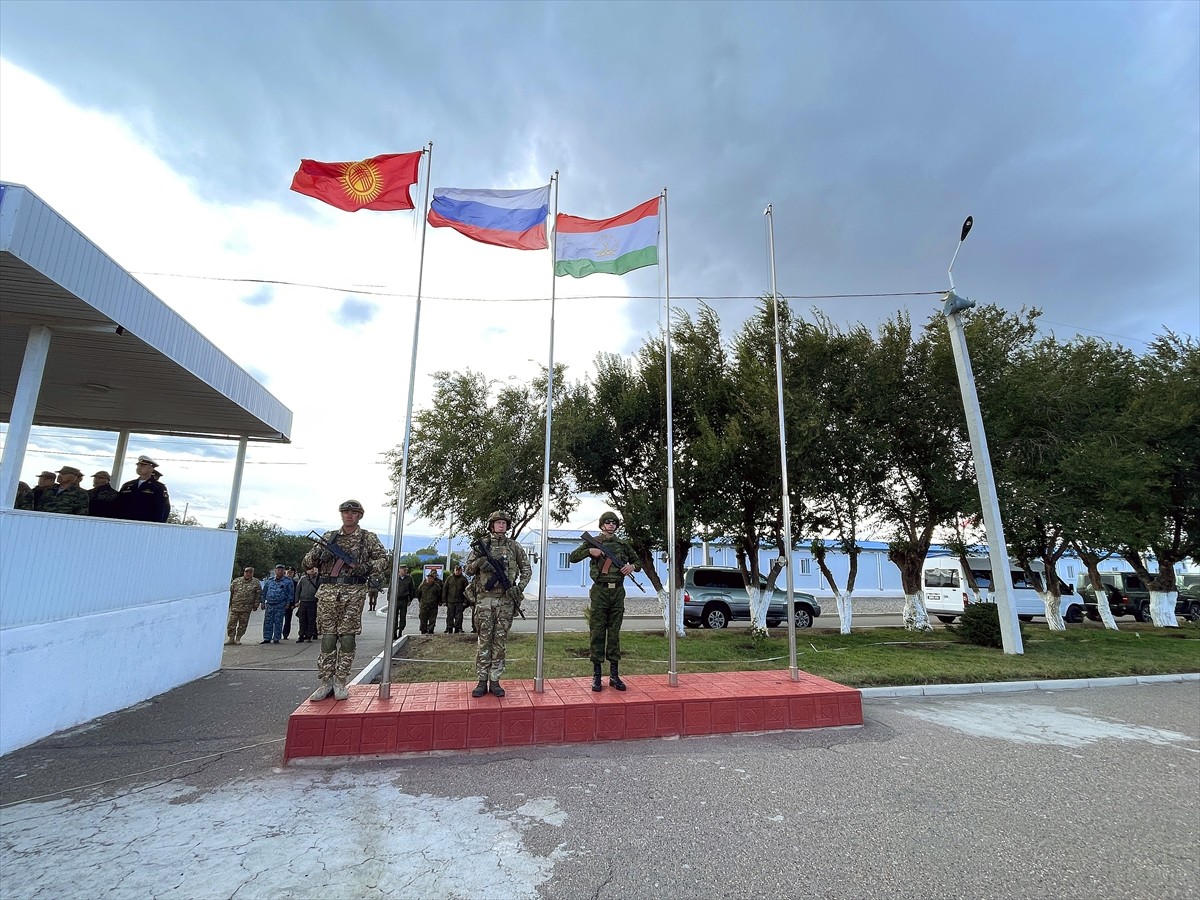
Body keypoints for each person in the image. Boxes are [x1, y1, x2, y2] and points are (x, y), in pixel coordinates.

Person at [302, 499, 388, 702]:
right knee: (328, 637)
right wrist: (320, 556)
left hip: (353, 592)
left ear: (359, 516)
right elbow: (306, 561)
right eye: (345, 512)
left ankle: (341, 681)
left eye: (353, 512)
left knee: (348, 638)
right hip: (328, 592)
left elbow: (383, 560)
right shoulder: (329, 537)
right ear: (341, 514)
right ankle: (326, 682)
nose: (349, 515)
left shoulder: (367, 538)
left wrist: (365, 567)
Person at [569, 511, 641, 692]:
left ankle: (615, 676)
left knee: (614, 633)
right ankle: (597, 676)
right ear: (602, 525)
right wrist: (589, 551)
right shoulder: (593, 542)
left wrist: (631, 566)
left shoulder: (622, 545)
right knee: (598, 632)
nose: (611, 525)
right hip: (600, 591)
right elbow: (572, 557)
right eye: (607, 522)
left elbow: (638, 562)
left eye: (614, 523)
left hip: (617, 591)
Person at [465, 510, 531, 698]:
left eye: (504, 523)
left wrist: (519, 588)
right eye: (498, 522)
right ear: (491, 525)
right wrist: (480, 562)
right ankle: (481, 681)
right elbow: (468, 569)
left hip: (505, 600)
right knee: (484, 640)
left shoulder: (514, 546)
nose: (501, 525)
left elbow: (526, 569)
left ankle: (495, 681)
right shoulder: (482, 546)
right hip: (484, 600)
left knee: (499, 641)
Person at [116, 455, 169, 522]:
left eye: (143, 465)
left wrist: (157, 525)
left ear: (151, 468)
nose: (139, 467)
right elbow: (118, 504)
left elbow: (163, 509)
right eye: (138, 465)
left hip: (146, 525)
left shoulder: (159, 487)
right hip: (124, 523)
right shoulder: (127, 485)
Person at [226, 567, 262, 645]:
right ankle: (231, 638)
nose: (248, 574)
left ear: (252, 573)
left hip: (246, 608)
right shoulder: (236, 581)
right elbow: (231, 593)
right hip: (235, 607)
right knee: (231, 623)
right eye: (246, 572)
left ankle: (238, 638)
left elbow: (258, 595)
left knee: (243, 625)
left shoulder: (256, 582)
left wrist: (256, 605)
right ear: (244, 572)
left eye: (250, 572)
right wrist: (228, 604)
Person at [260, 564, 294, 644]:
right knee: (268, 622)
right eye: (278, 570)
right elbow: (264, 592)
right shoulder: (270, 580)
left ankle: (276, 638)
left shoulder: (288, 581)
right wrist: (262, 602)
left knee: (278, 622)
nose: (280, 571)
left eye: (282, 570)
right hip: (270, 604)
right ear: (275, 571)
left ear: (284, 571)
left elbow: (290, 593)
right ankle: (267, 638)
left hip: (280, 604)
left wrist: (288, 603)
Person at [295, 565, 320, 643]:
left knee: (311, 619)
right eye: (309, 569)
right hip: (303, 602)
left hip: (313, 602)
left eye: (313, 569)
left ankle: (309, 635)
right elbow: (298, 590)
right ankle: (301, 635)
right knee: (302, 619)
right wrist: (296, 601)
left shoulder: (318, 579)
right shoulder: (303, 579)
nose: (311, 570)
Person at [391, 564, 415, 640]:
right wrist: (389, 599)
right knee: (394, 617)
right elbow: (390, 588)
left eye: (406, 570)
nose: (405, 571)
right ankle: (394, 632)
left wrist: (410, 600)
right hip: (395, 600)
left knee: (402, 617)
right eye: (404, 570)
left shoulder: (409, 578)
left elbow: (412, 589)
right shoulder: (395, 577)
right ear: (399, 570)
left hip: (404, 600)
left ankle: (400, 631)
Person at [443, 564, 469, 634]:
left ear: (461, 571)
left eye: (459, 570)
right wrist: (444, 600)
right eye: (456, 570)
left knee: (459, 616)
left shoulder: (464, 579)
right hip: (450, 600)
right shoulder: (449, 578)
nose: (457, 571)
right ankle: (449, 628)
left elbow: (467, 591)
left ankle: (458, 628)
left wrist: (465, 601)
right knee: (449, 615)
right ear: (454, 570)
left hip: (460, 601)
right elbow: (445, 589)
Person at [417, 570, 443, 634]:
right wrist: (421, 602)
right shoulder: (422, 585)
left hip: (433, 605)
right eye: (428, 578)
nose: (429, 579)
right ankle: (423, 630)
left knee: (432, 619)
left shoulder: (437, 586)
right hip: (424, 605)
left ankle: (431, 629)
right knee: (423, 618)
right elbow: (418, 594)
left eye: (430, 578)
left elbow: (439, 595)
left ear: (433, 579)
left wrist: (439, 602)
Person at [281, 566, 298, 639]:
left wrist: (294, 603)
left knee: (288, 620)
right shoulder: (280, 581)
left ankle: (285, 634)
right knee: (278, 620)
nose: (289, 573)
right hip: (280, 603)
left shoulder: (295, 583)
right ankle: (276, 634)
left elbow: (296, 594)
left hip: (290, 604)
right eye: (288, 572)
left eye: (291, 572)